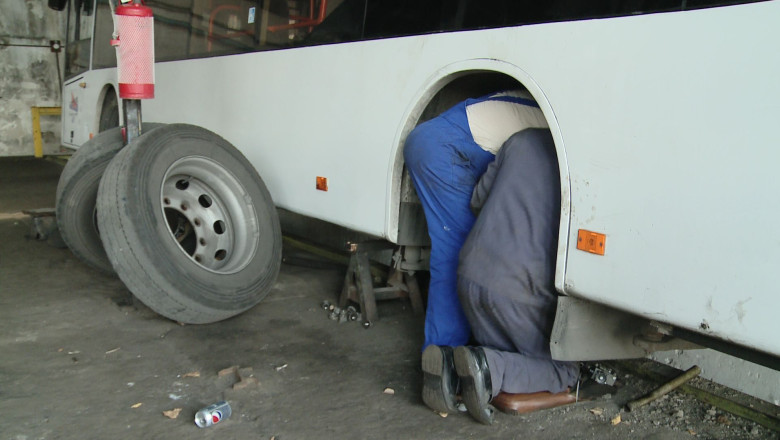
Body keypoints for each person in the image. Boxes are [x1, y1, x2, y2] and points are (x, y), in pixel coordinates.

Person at [422, 129, 580, 423]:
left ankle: (449, 366)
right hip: (517, 291)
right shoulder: (583, 159)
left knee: (507, 347)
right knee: (565, 370)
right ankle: (487, 367)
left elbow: (478, 199)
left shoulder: (522, 139)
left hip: (470, 275)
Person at [404, 90, 548, 355]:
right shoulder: (551, 125)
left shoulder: (532, 100)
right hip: (445, 149)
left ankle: (445, 350)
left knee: (456, 250)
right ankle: (445, 352)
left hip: (432, 140)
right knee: (460, 252)